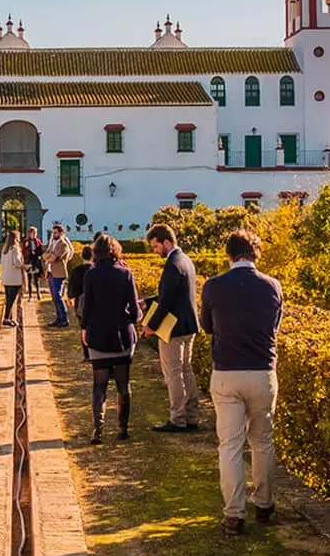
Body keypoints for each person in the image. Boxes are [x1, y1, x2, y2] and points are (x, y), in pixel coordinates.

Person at [199, 229, 284, 537]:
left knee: (230, 445)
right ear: (255, 254)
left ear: (229, 255)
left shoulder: (214, 286)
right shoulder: (273, 286)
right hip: (262, 371)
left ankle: (234, 514)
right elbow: (275, 325)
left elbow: (206, 327)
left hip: (227, 372)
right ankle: (264, 504)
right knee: (262, 442)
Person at [78, 235, 142, 444]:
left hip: (98, 335)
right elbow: (135, 310)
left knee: (99, 385)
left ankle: (98, 430)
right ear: (116, 250)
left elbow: (86, 308)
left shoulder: (91, 275)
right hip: (121, 335)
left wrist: (84, 328)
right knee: (124, 384)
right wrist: (131, 320)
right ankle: (123, 429)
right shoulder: (125, 273)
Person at [144, 223, 201, 433]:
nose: (155, 251)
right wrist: (149, 301)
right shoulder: (185, 260)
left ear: (166, 242)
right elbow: (174, 294)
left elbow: (167, 300)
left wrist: (151, 326)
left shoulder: (172, 265)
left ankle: (177, 418)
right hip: (188, 325)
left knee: (174, 373)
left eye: (156, 246)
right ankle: (191, 415)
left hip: (173, 328)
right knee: (186, 370)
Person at [44, 224, 73, 327]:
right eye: (53, 232)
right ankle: (58, 318)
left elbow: (54, 258)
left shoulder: (63, 244)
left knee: (58, 296)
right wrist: (49, 256)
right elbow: (45, 255)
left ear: (61, 233)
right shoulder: (52, 243)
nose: (54, 234)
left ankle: (64, 318)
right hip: (51, 272)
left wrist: (49, 256)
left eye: (56, 232)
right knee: (54, 297)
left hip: (59, 273)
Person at [0, 229, 26, 327]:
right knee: (11, 300)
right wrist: (26, 266)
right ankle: (6, 318)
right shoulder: (15, 249)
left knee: (8, 298)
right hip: (14, 279)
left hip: (6, 277)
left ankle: (9, 318)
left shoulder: (4, 250)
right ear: (15, 238)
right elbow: (17, 263)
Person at [66, 242, 92, 320]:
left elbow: (71, 285)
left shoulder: (76, 270)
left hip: (79, 300)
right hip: (92, 300)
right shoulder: (95, 270)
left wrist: (70, 296)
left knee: (81, 320)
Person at [23, 226, 45, 299]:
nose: (34, 234)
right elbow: (24, 251)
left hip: (35, 261)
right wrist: (29, 252)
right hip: (29, 261)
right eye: (33, 233)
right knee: (29, 279)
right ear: (30, 233)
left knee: (36, 279)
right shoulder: (26, 241)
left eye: (35, 233)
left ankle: (38, 293)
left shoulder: (38, 241)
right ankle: (30, 295)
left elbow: (41, 251)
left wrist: (35, 252)